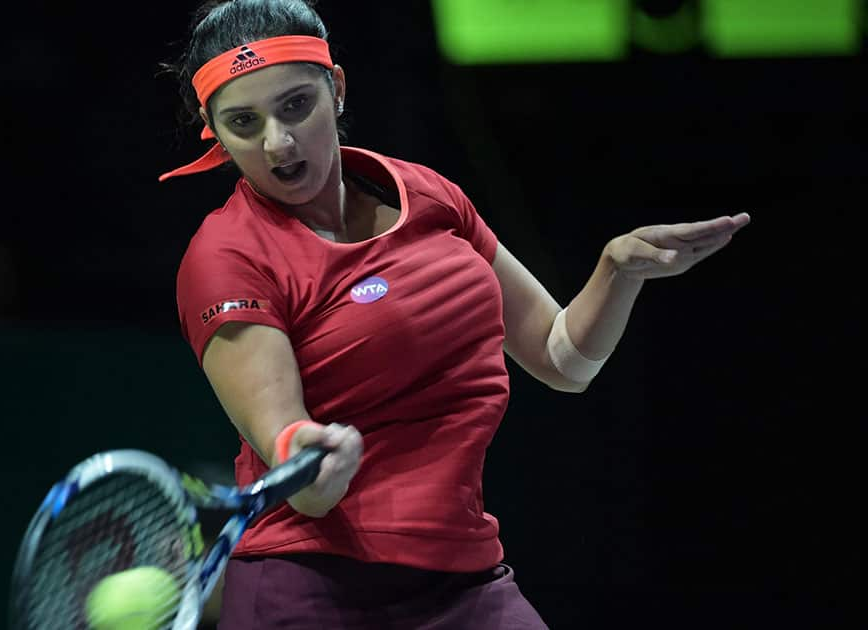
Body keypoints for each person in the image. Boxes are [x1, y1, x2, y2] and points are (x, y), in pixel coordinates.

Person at [159, 1, 750, 627]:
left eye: (295, 106)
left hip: (466, 583)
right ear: (213, 128)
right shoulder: (225, 257)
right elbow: (297, 469)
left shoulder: (432, 197)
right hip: (314, 591)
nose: (277, 142)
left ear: (335, 88)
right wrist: (313, 455)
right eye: (244, 122)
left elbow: (561, 359)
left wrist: (616, 270)